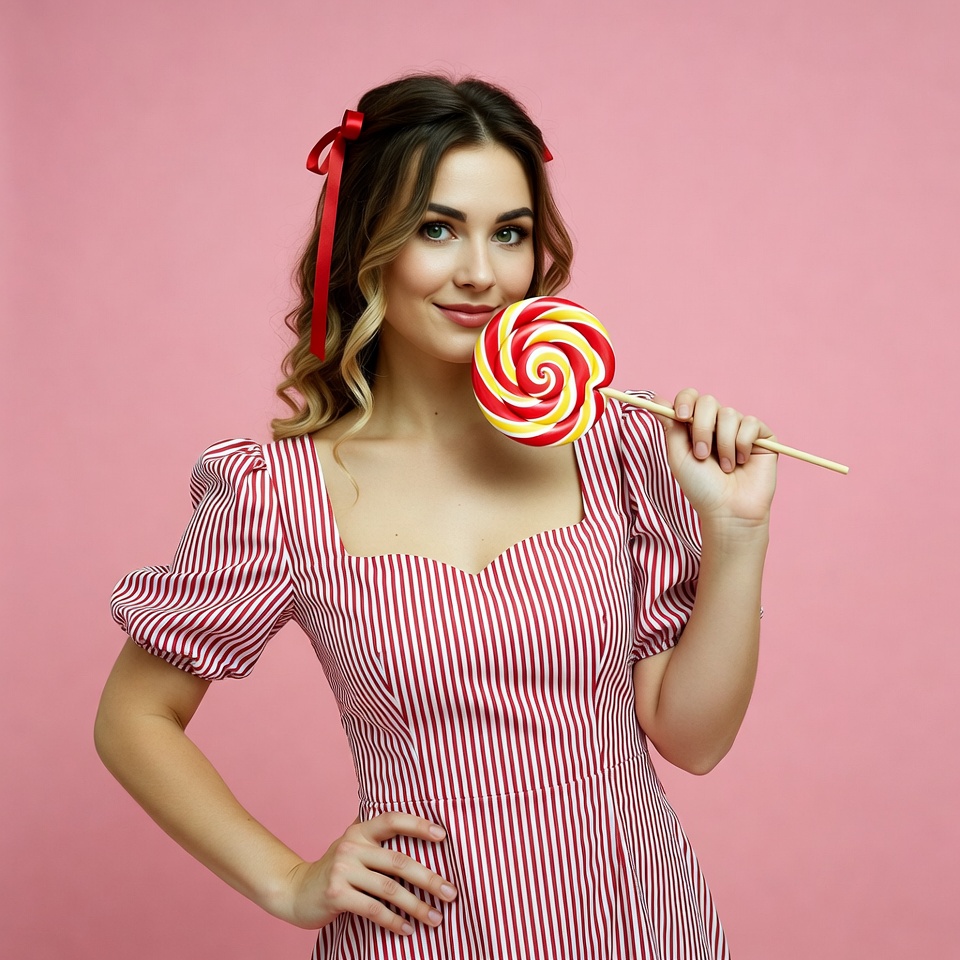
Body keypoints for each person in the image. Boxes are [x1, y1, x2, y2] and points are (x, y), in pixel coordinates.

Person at [95, 74, 777, 959]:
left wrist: (736, 531)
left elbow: (694, 739)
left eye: (510, 233)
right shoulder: (279, 491)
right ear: (366, 244)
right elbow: (133, 716)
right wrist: (288, 879)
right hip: (422, 941)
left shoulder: (614, 445)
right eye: (436, 228)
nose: (479, 273)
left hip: (644, 929)